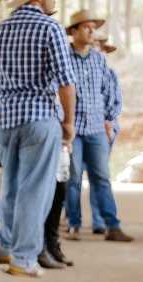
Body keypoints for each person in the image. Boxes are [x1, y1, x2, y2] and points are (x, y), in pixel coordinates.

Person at [0, 0, 77, 277]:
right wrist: (69, 121)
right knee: (35, 188)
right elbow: (66, 82)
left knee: (9, 185)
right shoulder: (49, 27)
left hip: (5, 121)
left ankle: (6, 247)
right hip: (39, 117)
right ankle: (23, 258)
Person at [63, 10, 133, 242]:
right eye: (86, 27)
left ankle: (112, 225)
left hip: (96, 128)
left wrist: (109, 120)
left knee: (101, 177)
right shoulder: (63, 57)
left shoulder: (98, 59)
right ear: (73, 32)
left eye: (94, 27)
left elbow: (108, 91)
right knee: (73, 179)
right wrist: (62, 124)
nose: (92, 31)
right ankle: (73, 223)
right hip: (71, 129)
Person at [89, 34, 122, 234]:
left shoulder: (110, 73)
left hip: (105, 127)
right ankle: (74, 218)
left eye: (100, 47)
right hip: (83, 127)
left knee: (99, 174)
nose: (97, 50)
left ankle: (99, 219)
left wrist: (108, 121)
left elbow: (115, 101)